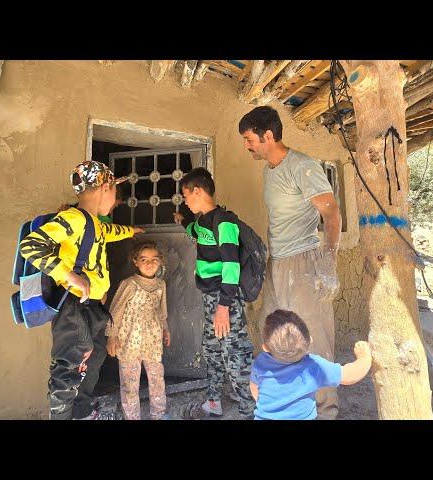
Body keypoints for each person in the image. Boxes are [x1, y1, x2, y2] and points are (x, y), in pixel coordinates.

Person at [239, 106, 342, 419]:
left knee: (313, 337)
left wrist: (328, 258)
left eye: (249, 139)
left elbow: (332, 213)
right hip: (278, 262)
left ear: (268, 135)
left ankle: (325, 410)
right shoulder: (269, 170)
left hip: (303, 261)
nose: (247, 146)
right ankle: (284, 400)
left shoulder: (303, 166)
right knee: (273, 331)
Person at [19, 160, 143, 420]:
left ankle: (82, 412)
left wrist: (130, 231)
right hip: (73, 306)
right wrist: (70, 276)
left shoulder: (94, 223)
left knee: (93, 359)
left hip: (92, 306)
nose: (115, 198)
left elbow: (109, 232)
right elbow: (31, 246)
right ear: (104, 187)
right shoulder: (74, 218)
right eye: (114, 190)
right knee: (68, 370)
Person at [173, 167, 256, 420]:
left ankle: (248, 411)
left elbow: (231, 265)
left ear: (197, 191)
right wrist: (182, 221)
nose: (185, 201)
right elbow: (193, 231)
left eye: (186, 195)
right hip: (210, 298)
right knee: (211, 350)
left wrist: (224, 306)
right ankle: (214, 401)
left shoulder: (225, 222)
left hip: (224, 298)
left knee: (235, 353)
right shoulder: (201, 222)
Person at [250, 309, 372, 420]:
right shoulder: (312, 366)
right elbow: (350, 376)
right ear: (310, 341)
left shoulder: (260, 362)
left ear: (265, 348)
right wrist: (364, 358)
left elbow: (255, 388)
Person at [106, 241, 170, 420]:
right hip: (128, 342)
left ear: (160, 262)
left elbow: (162, 310)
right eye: (144, 259)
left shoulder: (160, 285)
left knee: (157, 379)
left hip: (153, 339)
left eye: (154, 259)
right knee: (129, 384)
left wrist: (165, 329)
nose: (150, 263)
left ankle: (158, 414)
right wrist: (112, 336)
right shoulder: (129, 284)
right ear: (135, 261)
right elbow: (115, 311)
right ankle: (132, 417)